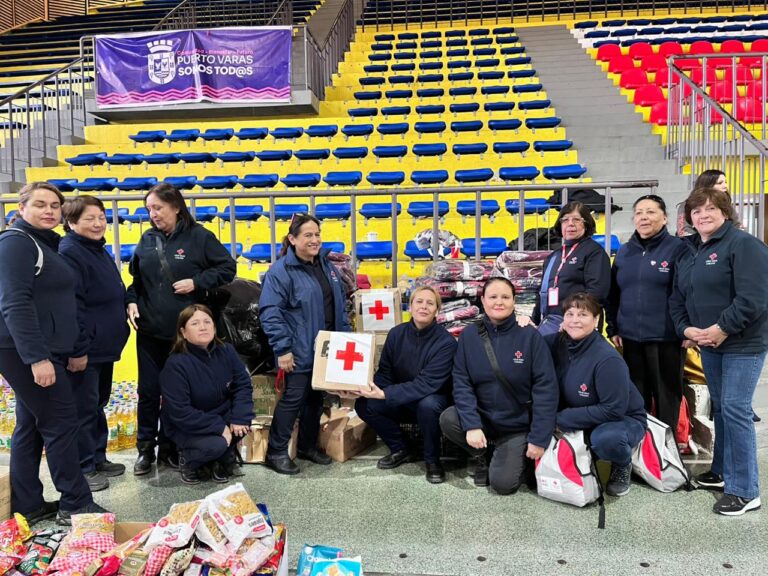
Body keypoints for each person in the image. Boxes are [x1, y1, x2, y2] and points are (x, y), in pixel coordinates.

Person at [0, 182, 107, 526]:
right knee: (62, 423)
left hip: (44, 349)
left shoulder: (45, 243)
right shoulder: (15, 243)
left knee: (31, 425)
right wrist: (36, 358)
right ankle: (75, 503)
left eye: (55, 205)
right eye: (40, 204)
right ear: (21, 209)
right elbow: (14, 303)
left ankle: (28, 504)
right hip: (25, 351)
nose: (49, 210)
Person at [126, 183, 237, 476]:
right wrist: (131, 301)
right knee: (148, 392)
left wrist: (197, 282)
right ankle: (145, 449)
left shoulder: (200, 237)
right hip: (150, 332)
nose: (153, 214)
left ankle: (171, 447)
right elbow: (136, 283)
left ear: (176, 206)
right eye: (149, 209)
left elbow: (228, 268)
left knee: (184, 395)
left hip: (185, 337)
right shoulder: (147, 240)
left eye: (158, 208)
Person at [670, 187, 768, 516]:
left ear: (725, 212)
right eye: (697, 211)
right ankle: (722, 471)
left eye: (711, 208)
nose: (704, 215)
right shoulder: (692, 251)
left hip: (742, 342)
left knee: (735, 408)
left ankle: (745, 491)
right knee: (722, 410)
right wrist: (686, 329)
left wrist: (722, 327)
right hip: (709, 343)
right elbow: (678, 298)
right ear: (690, 219)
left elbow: (753, 298)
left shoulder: (744, 245)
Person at [440, 277, 559, 495]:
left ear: (514, 301)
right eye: (493, 297)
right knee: (448, 418)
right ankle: (481, 456)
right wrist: (472, 424)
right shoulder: (469, 335)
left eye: (505, 297)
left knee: (503, 485)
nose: (499, 302)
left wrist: (539, 438)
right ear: (482, 300)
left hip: (516, 426)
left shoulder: (530, 337)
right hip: (484, 419)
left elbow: (546, 389)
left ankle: (510, 453)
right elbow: (462, 382)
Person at [259, 213, 351, 475]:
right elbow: (270, 312)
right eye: (308, 235)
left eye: (317, 234)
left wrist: (342, 341)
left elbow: (338, 307)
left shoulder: (326, 266)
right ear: (292, 239)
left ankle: (307, 447)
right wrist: (283, 349)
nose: (315, 240)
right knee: (293, 400)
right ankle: (276, 452)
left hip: (325, 350)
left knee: (315, 400)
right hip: (298, 350)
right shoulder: (280, 272)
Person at [59, 196, 130, 492]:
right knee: (83, 409)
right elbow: (73, 305)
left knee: (96, 404)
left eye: (101, 217)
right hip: (86, 349)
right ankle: (84, 467)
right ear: (72, 222)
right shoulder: (71, 252)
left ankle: (98, 457)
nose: (98, 223)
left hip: (104, 346)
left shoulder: (95, 250)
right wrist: (79, 349)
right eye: (89, 218)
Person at [353, 286, 457, 484]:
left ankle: (432, 460)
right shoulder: (396, 334)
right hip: (402, 399)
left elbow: (426, 384)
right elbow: (385, 373)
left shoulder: (446, 343)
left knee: (428, 404)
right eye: (419, 302)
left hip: (432, 401)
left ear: (437, 310)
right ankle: (401, 448)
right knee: (364, 404)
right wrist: (368, 390)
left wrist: (385, 394)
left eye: (430, 303)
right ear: (410, 306)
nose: (424, 307)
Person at [547, 293, 647, 497]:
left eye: (583, 314)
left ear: (596, 320)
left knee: (606, 439)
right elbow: (528, 343)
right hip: (582, 411)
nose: (575, 320)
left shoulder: (607, 359)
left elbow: (613, 409)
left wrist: (561, 419)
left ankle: (622, 463)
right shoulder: (558, 343)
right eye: (570, 314)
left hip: (620, 419)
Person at [606, 194, 687, 430]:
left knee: (666, 401)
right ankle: (640, 455)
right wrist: (613, 326)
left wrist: (686, 329)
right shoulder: (624, 251)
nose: (644, 217)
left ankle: (666, 455)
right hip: (631, 339)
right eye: (639, 212)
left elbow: (687, 293)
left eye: (651, 212)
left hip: (667, 339)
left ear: (664, 217)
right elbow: (613, 294)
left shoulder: (678, 248)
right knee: (635, 400)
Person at [160, 305, 254, 484]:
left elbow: (243, 385)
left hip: (220, 415)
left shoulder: (226, 351)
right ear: (183, 332)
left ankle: (220, 458)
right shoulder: (176, 364)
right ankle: (189, 459)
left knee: (243, 422)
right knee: (216, 444)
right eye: (195, 323)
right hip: (188, 425)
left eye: (207, 322)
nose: (203, 327)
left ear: (214, 327)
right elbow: (180, 412)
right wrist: (219, 427)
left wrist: (240, 416)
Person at [526, 201, 611, 336]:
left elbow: (596, 294)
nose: (570, 223)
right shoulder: (553, 256)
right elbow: (542, 293)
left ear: (586, 223)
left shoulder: (594, 252)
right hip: (550, 325)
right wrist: (534, 322)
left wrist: (572, 321)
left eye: (576, 219)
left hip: (577, 327)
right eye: (565, 220)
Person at [677, 170, 728, 237]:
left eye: (725, 182)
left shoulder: (726, 204)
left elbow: (736, 225)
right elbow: (683, 231)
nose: (725, 186)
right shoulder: (686, 205)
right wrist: (704, 242)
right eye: (719, 183)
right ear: (707, 185)